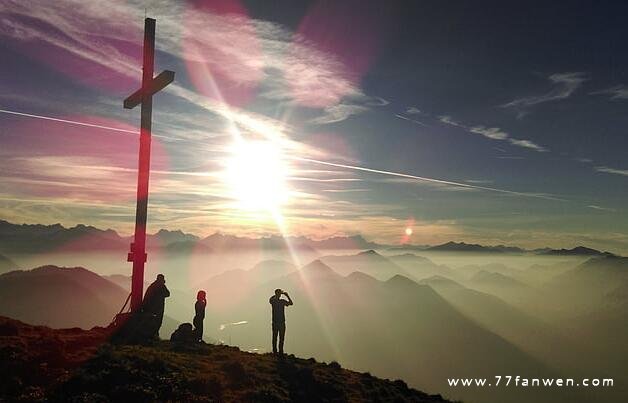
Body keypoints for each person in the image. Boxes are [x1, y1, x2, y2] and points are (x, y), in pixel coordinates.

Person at [142, 274, 170, 338]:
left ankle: (152, 336)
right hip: (156, 309)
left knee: (153, 323)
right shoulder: (160, 286)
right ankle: (153, 336)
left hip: (152, 309)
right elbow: (167, 294)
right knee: (156, 323)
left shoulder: (153, 286)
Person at [269, 288, 293, 355]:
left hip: (275, 322)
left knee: (274, 337)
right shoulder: (282, 301)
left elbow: (270, 299)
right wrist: (287, 295)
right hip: (281, 322)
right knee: (281, 338)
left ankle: (275, 352)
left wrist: (276, 294)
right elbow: (291, 303)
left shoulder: (273, 301)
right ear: (280, 295)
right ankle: (280, 352)